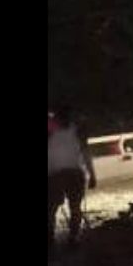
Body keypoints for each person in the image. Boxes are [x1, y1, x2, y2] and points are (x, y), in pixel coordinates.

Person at [49, 106, 99, 250]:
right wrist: (92, 175)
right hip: (75, 173)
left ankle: (51, 241)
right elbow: (86, 154)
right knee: (75, 207)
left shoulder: (50, 132)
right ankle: (73, 238)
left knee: (51, 209)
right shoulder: (78, 132)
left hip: (54, 175)